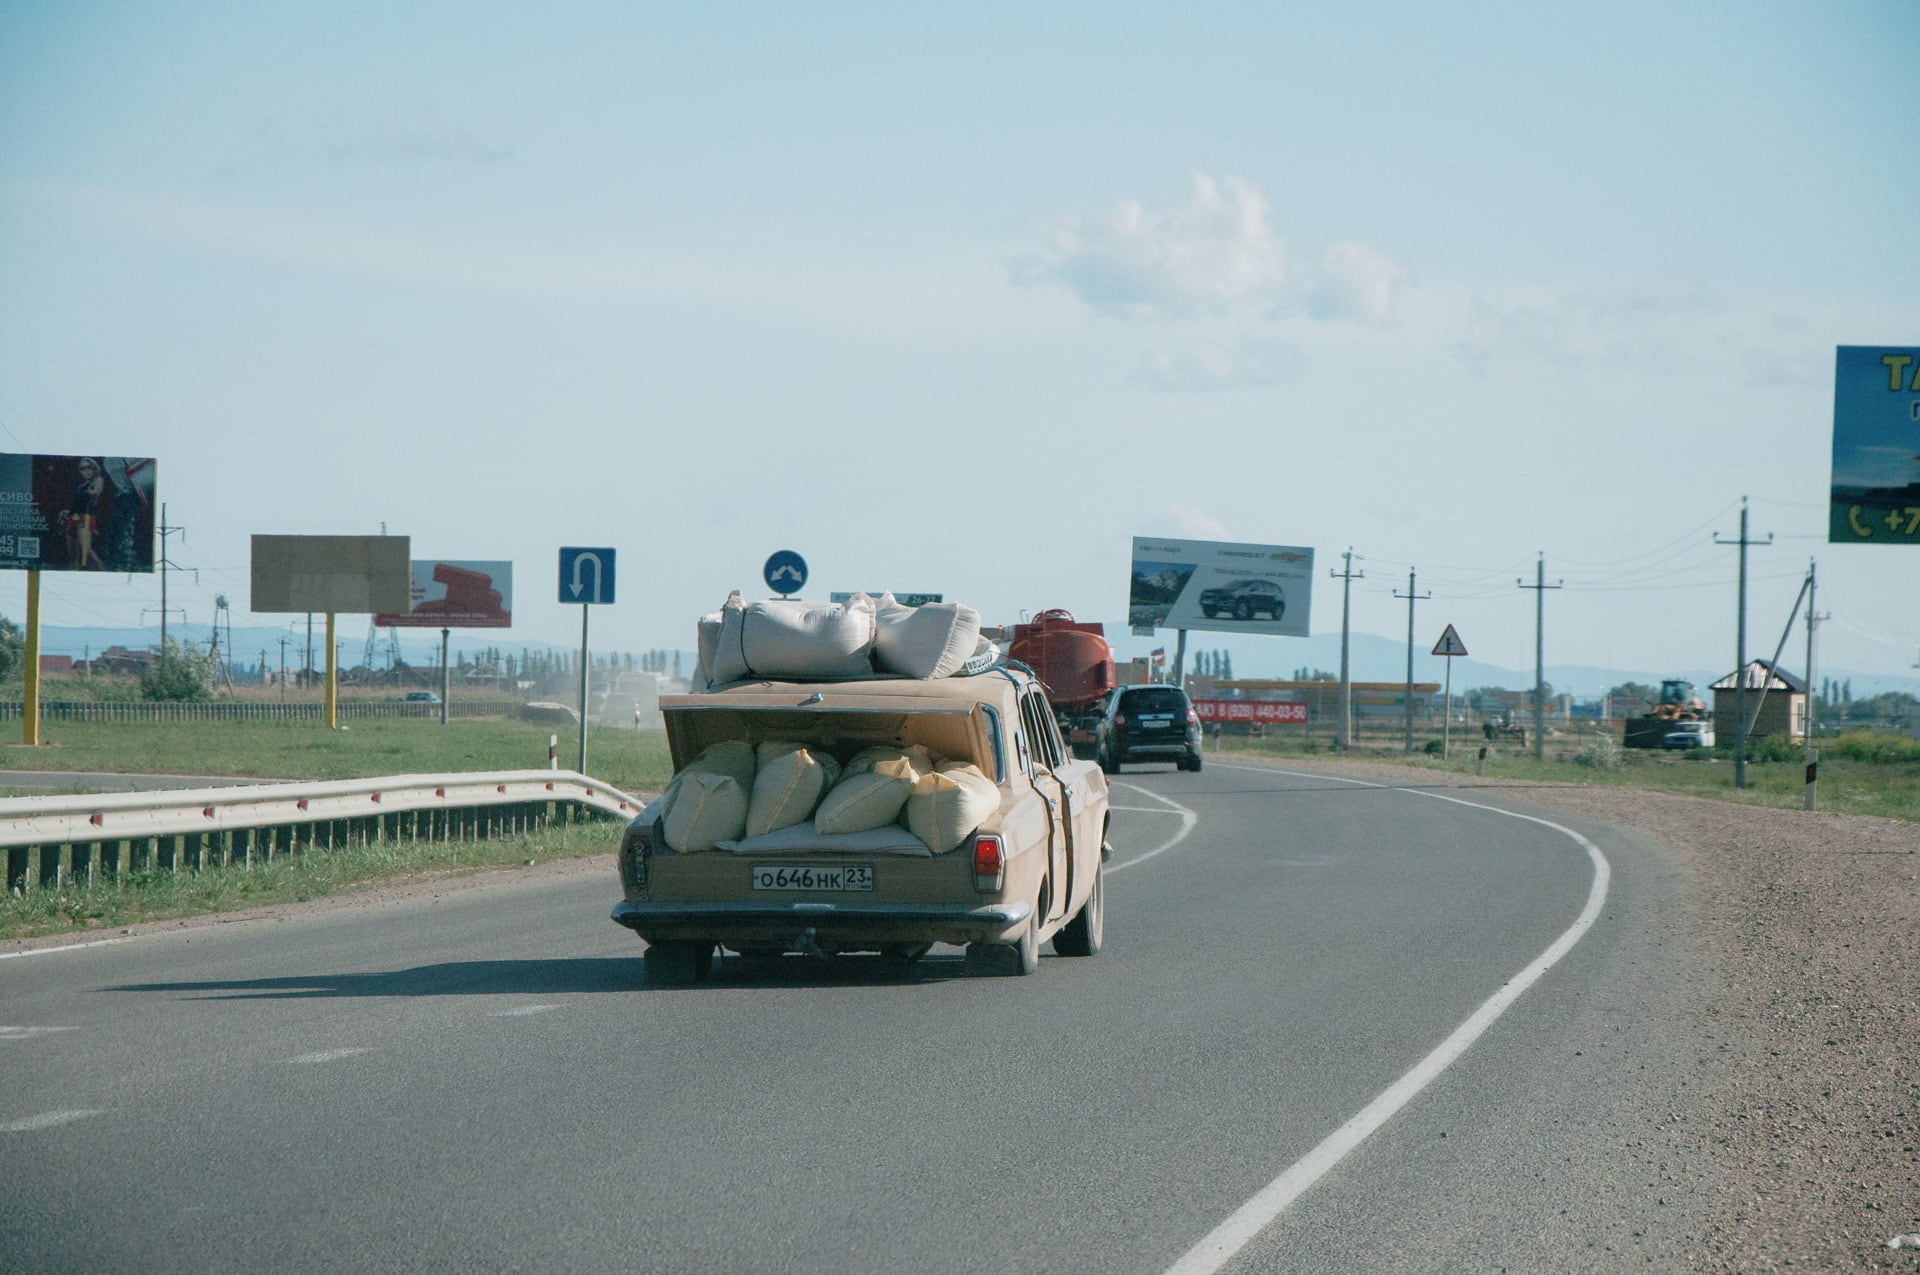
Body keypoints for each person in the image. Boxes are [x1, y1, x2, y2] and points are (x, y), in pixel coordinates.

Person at [64, 457, 111, 569]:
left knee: (87, 550)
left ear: (94, 468)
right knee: (73, 556)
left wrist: (92, 492)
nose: (86, 471)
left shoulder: (98, 480)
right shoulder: (82, 486)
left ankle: (103, 571)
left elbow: (95, 493)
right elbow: (77, 503)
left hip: (85, 517)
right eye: (83, 468)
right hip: (73, 517)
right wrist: (67, 513)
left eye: (89, 467)